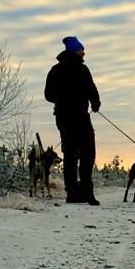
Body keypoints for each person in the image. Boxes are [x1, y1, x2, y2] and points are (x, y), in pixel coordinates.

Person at [44, 36, 101, 205]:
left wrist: (62, 101)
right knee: (87, 154)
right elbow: (92, 89)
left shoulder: (55, 70)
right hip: (78, 117)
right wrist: (95, 103)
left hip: (63, 117)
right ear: (75, 51)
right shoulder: (82, 70)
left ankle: (73, 194)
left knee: (70, 155)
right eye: (82, 50)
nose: (84, 52)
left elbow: (48, 95)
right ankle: (86, 193)